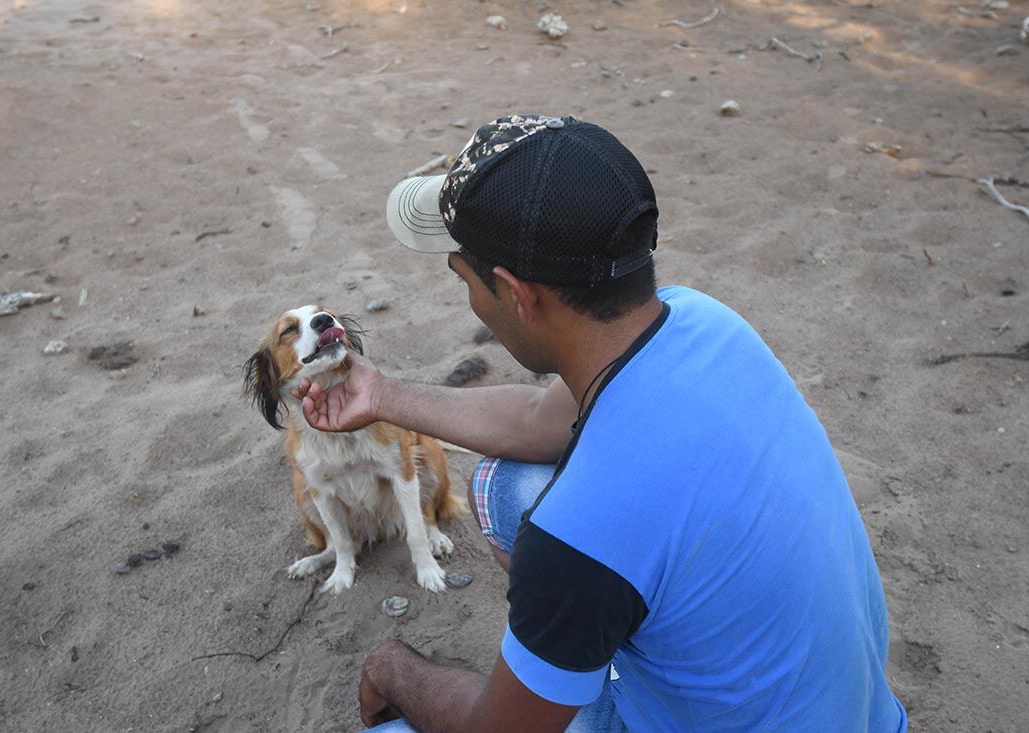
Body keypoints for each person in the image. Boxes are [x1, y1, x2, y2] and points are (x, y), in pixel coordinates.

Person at [293, 114, 907, 732]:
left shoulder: (577, 539)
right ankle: (600, 656)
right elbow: (537, 417)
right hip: (864, 717)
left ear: (516, 293)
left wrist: (394, 667)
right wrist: (380, 395)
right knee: (505, 484)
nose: (471, 299)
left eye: (464, 278)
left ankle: (588, 668)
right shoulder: (707, 321)